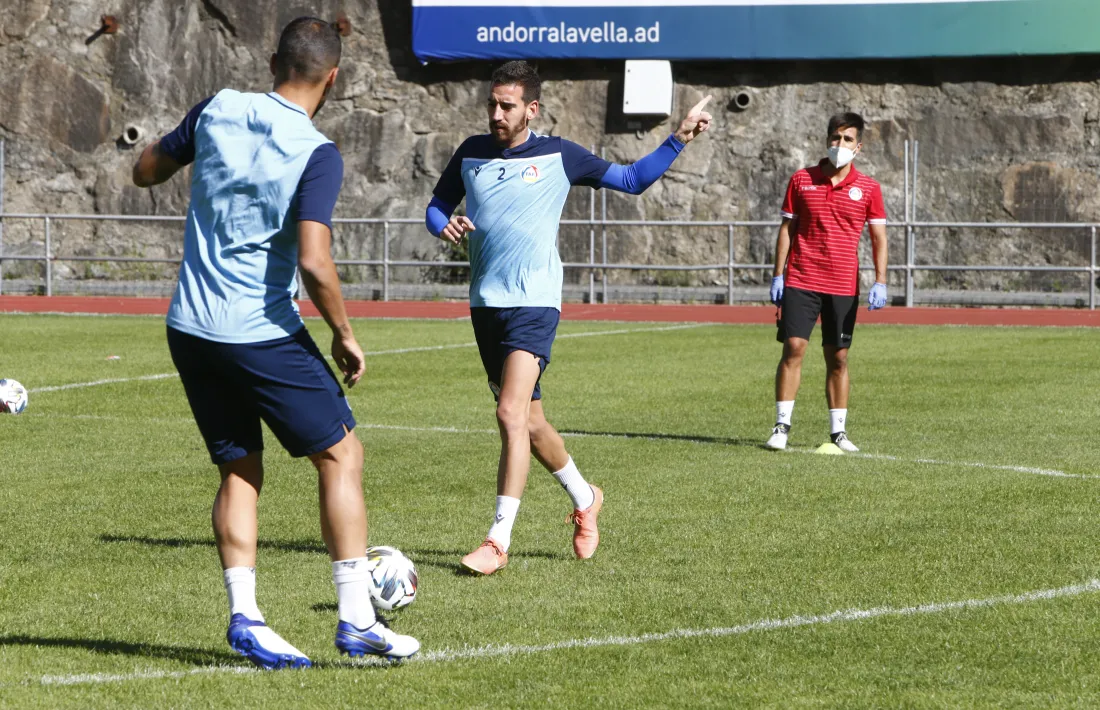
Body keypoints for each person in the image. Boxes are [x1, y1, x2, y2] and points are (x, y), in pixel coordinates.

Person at [131, 16, 418, 667]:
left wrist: (152, 164)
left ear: (271, 62)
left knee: (240, 468)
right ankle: (355, 620)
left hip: (189, 327)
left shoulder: (217, 107)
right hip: (257, 331)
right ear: (333, 77)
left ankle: (247, 619)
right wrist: (345, 334)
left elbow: (148, 167)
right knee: (341, 454)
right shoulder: (316, 151)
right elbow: (315, 262)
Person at [425, 61, 712, 575]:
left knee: (510, 415)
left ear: (531, 109)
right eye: (492, 103)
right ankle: (586, 497)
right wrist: (443, 223)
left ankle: (497, 540)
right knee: (531, 423)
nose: (496, 113)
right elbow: (436, 206)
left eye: (507, 105)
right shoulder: (471, 152)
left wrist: (678, 139)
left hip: (535, 302)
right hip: (485, 305)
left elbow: (630, 179)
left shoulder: (560, 155)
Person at [766, 112, 888, 453]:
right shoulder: (802, 179)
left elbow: (879, 238)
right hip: (802, 278)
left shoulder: (869, 189)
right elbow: (787, 229)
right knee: (794, 348)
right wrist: (778, 274)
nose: (840, 145)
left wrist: (880, 281)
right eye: (835, 138)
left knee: (839, 357)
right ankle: (781, 426)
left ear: (858, 146)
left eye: (848, 139)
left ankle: (839, 432)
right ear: (827, 141)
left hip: (843, 285)